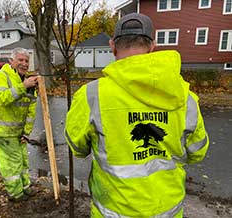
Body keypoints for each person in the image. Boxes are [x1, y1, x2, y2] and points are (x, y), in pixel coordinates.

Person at [64, 13, 209, 217]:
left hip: (113, 211)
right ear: (152, 46)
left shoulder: (91, 95)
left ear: (112, 46)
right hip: (167, 211)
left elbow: (78, 148)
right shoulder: (186, 98)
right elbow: (197, 152)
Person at [0, 47, 38, 202]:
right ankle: (15, 194)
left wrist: (26, 132)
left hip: (18, 132)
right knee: (12, 164)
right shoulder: (1, 77)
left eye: (26, 61)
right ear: (11, 61)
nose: (24, 64)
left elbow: (31, 110)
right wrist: (24, 87)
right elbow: (2, 99)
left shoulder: (25, 80)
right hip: (3, 131)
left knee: (23, 160)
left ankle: (24, 188)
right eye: (20, 60)